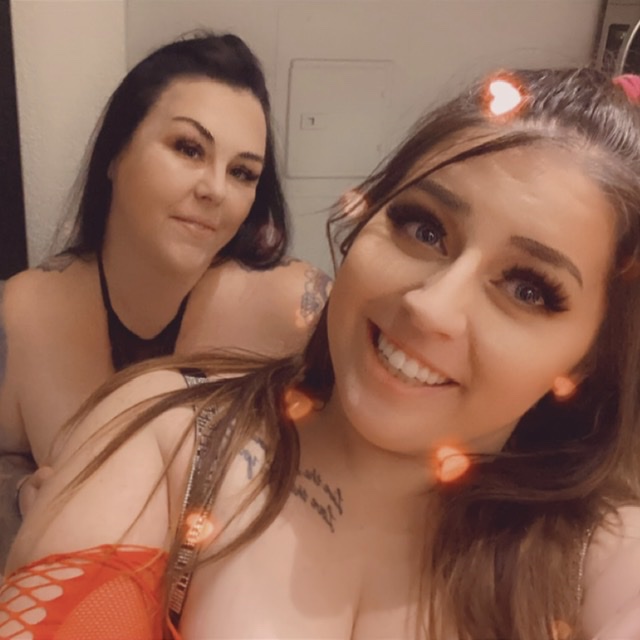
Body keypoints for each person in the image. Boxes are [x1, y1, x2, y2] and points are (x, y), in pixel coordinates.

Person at [3, 66, 640, 640]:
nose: (431, 307)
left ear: (590, 353)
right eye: (424, 228)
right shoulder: (172, 433)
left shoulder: (598, 556)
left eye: (528, 289)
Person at [0, 31, 331, 565]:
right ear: (115, 153)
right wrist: (20, 501)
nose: (215, 189)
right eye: (188, 149)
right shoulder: (22, 315)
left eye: (242, 172)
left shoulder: (297, 311)